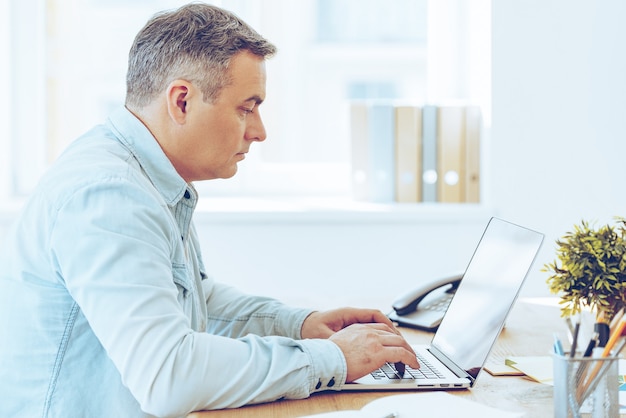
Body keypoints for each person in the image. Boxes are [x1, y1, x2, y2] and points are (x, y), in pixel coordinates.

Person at [0, 3, 419, 417]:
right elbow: (169, 377)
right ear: (182, 101)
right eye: (246, 107)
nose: (259, 132)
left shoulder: (145, 175)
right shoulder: (111, 197)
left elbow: (193, 300)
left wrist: (300, 325)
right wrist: (330, 359)